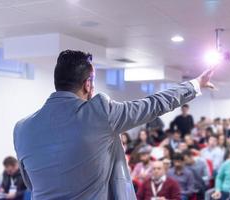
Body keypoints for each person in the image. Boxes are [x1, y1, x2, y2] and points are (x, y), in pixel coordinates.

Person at [13, 50, 215, 199]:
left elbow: (30, 182)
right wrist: (195, 84)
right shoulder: (100, 112)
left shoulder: (21, 129)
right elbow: (153, 105)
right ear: (88, 84)